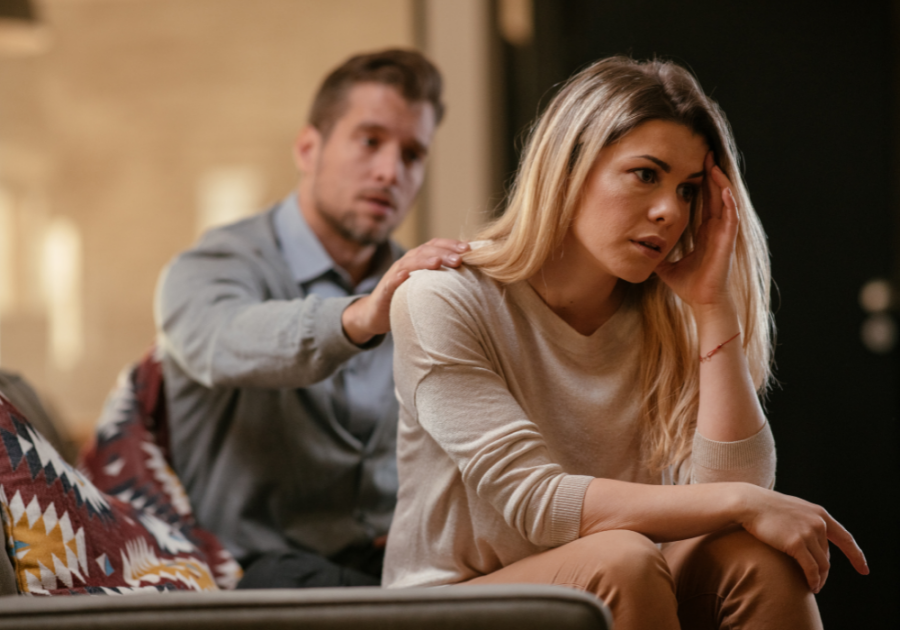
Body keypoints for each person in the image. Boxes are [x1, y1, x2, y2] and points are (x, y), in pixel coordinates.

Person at [382, 57, 868, 628]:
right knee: (623, 559)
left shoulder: (672, 316)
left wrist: (713, 310)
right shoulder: (441, 300)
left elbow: (728, 498)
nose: (670, 212)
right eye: (646, 175)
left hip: (631, 582)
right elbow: (540, 504)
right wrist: (744, 502)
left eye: (689, 191)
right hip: (456, 602)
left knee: (758, 559)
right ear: (569, 167)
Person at [154, 49, 469, 588]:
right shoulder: (210, 267)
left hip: (393, 562)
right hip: (255, 571)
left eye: (412, 154)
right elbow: (223, 338)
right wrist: (359, 317)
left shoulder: (426, 286)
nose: (390, 171)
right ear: (308, 148)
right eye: (370, 141)